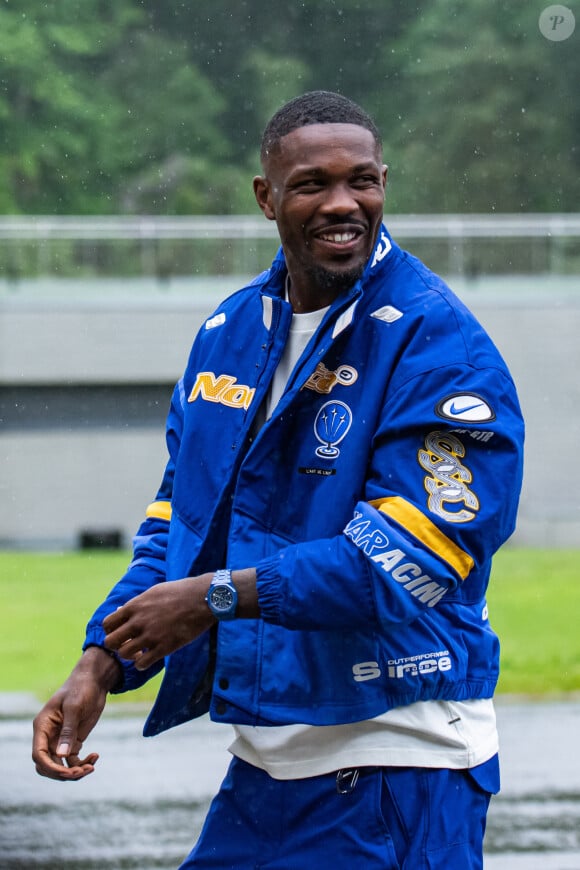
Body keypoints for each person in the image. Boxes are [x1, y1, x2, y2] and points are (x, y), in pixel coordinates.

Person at [33, 90, 524, 869]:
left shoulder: (439, 343)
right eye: (311, 185)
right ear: (266, 197)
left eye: (362, 180)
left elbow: (408, 560)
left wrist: (212, 598)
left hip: (400, 759)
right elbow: (181, 522)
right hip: (266, 767)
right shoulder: (230, 332)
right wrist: (102, 659)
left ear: (385, 181)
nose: (343, 204)